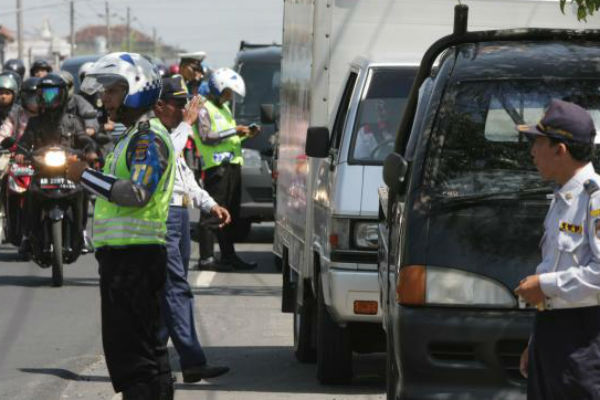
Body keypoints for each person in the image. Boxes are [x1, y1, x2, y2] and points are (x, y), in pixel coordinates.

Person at [65, 52, 176, 400]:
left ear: (138, 88)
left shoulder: (148, 140)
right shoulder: (130, 138)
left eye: (113, 90)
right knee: (145, 357)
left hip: (136, 263)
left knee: (135, 361)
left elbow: (138, 193)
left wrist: (84, 176)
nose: (105, 99)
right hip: (125, 261)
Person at [515, 99, 600, 399]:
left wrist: (545, 286)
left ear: (559, 149)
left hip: (584, 343)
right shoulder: (563, 198)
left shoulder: (595, 199)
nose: (532, 152)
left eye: (538, 142)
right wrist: (536, 341)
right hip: (552, 334)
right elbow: (555, 262)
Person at [153, 76, 231, 382]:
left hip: (180, 214)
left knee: (170, 290)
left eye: (187, 104)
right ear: (160, 106)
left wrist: (209, 203)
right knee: (176, 289)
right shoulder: (156, 131)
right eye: (178, 104)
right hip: (164, 215)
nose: (185, 110)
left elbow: (185, 177)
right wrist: (186, 125)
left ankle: (156, 360)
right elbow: (164, 155)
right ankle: (191, 361)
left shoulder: (174, 132)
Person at [16, 73, 95, 257]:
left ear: (62, 95)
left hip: (69, 172)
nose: (48, 98)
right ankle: (28, 236)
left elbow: (84, 139)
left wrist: (90, 150)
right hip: (41, 171)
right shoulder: (34, 122)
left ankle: (81, 234)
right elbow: (25, 142)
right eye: (44, 94)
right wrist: (20, 153)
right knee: (28, 193)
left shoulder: (73, 121)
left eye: (52, 93)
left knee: (83, 192)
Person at [194, 67, 260, 270]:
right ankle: (206, 258)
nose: (230, 96)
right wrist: (234, 129)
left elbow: (227, 137)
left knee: (229, 214)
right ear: (218, 88)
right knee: (211, 216)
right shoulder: (204, 108)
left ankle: (228, 256)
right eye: (228, 91)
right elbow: (206, 136)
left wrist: (245, 133)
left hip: (232, 166)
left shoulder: (224, 109)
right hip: (217, 168)